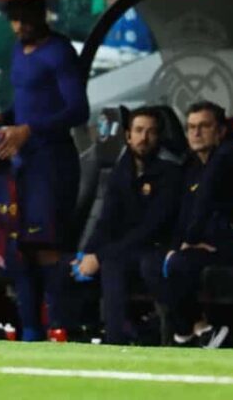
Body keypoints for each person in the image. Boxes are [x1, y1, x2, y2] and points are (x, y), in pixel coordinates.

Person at [0, 0, 89, 342]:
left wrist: (30, 129)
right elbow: (27, 102)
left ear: (41, 13)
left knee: (47, 244)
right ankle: (30, 330)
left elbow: (78, 109)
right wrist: (4, 119)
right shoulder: (18, 51)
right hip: (22, 161)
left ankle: (60, 326)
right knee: (20, 246)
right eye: (14, 19)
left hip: (53, 162)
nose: (19, 26)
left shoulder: (59, 52)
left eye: (25, 18)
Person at [73, 107, 183, 345]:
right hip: (126, 249)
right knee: (70, 267)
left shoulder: (170, 172)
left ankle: (118, 339)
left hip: (157, 247)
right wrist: (88, 253)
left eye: (151, 132)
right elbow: (107, 220)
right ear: (128, 136)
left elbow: (151, 228)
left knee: (112, 262)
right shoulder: (122, 170)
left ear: (159, 137)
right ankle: (81, 334)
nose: (144, 138)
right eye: (139, 130)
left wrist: (100, 256)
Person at [163, 101, 233, 348]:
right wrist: (177, 245)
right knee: (158, 261)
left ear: (221, 131)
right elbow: (183, 212)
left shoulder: (229, 154)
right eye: (191, 127)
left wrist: (189, 241)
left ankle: (188, 333)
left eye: (204, 126)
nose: (196, 133)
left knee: (179, 262)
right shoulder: (192, 165)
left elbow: (206, 201)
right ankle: (196, 330)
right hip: (209, 244)